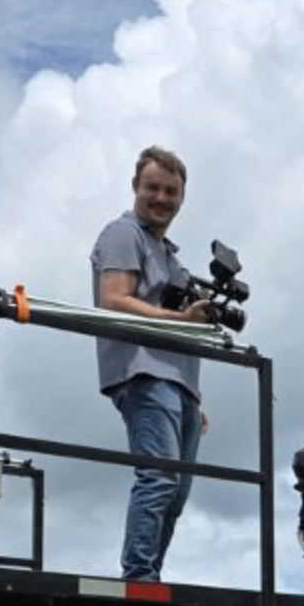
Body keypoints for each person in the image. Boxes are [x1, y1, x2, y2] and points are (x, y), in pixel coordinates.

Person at [91, 145, 210, 582]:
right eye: (153, 188)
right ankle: (139, 577)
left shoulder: (171, 256)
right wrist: (181, 319)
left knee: (176, 491)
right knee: (159, 477)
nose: (161, 198)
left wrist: (193, 397)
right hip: (143, 372)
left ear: (182, 197)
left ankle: (150, 573)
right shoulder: (124, 234)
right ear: (135, 188)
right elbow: (114, 299)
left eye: (171, 191)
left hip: (179, 383)